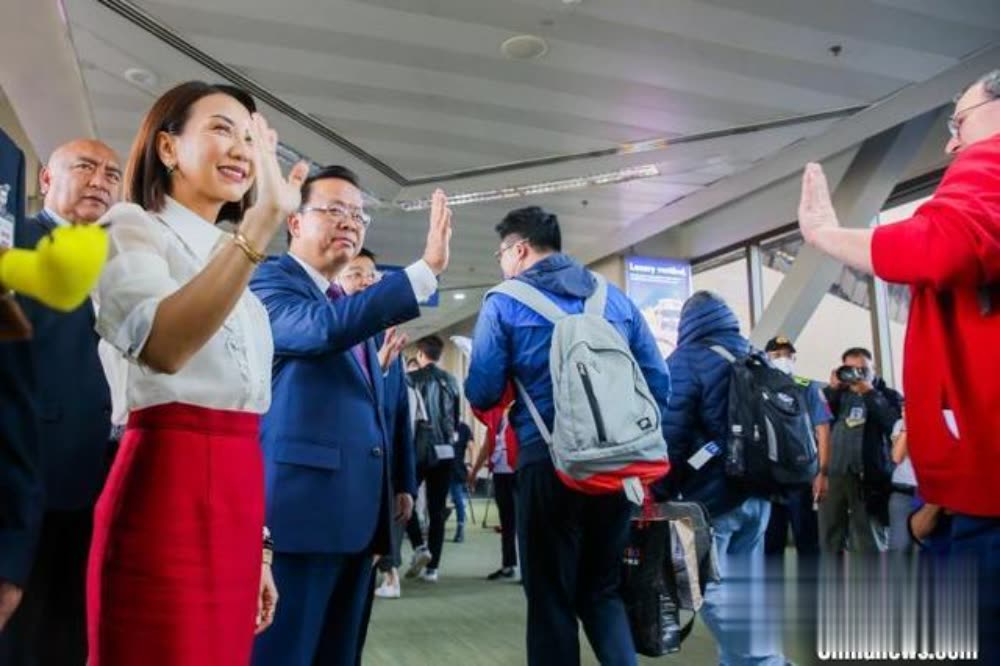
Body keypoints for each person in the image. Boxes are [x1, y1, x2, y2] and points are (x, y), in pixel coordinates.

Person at [86, 80, 307, 665]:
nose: (240, 150)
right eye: (221, 129)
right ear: (167, 148)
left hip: (238, 501)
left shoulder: (236, 264)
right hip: (166, 491)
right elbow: (164, 347)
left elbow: (245, 415)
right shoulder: (129, 227)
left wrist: (260, 546)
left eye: (250, 138)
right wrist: (260, 225)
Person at [798, 69, 1000, 658]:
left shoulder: (991, 163)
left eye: (958, 122)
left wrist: (826, 234)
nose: (952, 144)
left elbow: (943, 244)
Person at [249, 167, 450, 666]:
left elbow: (380, 409)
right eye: (334, 210)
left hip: (356, 520)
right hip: (296, 519)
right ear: (295, 222)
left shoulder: (349, 306)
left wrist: (397, 483)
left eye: (358, 215)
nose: (350, 222)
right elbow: (319, 331)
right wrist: (423, 271)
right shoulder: (270, 283)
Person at [465, 206, 671, 666]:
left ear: (519, 249)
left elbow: (483, 389)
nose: (502, 263)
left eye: (502, 254)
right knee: (603, 591)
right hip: (619, 468)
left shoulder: (503, 301)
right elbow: (658, 383)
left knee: (550, 599)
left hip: (548, 463)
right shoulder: (613, 299)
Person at [1, 139, 122, 665]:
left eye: (112, 174)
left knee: (68, 637)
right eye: (85, 167)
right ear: (46, 179)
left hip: (92, 483)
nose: (100, 181)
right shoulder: (19, 246)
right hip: (30, 486)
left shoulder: (113, 263)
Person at [657, 290, 787, 666]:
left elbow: (672, 435)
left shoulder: (685, 360)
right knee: (745, 592)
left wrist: (659, 490)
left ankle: (767, 660)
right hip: (758, 493)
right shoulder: (755, 355)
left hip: (710, 499)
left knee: (705, 587)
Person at [338, 248, 415, 601]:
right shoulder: (330, 333)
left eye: (371, 275)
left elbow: (399, 418)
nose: (365, 281)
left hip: (379, 482)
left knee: (358, 598)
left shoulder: (387, 339)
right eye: (355, 273)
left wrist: (405, 483)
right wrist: (376, 374)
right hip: (339, 480)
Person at [819, 348, 901, 553]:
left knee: (869, 541)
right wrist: (832, 390)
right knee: (830, 538)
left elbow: (894, 425)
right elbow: (817, 420)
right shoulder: (837, 394)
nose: (856, 375)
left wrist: (869, 392)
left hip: (869, 477)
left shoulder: (888, 395)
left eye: (863, 370)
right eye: (851, 369)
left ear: (874, 369)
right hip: (835, 474)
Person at [763, 335, 832, 560]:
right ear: (767, 358)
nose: (783, 359)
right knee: (770, 544)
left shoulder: (807, 387)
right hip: (769, 477)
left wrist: (822, 473)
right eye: (777, 355)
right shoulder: (758, 387)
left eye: (787, 355)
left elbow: (823, 430)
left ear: (794, 358)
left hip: (801, 476)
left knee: (807, 541)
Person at [404, 335, 461, 582]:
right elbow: (456, 419)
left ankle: (419, 546)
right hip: (446, 451)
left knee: (404, 499)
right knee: (437, 510)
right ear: (439, 355)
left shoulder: (410, 379)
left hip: (417, 450)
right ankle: (432, 569)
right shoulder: (452, 381)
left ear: (419, 354)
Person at [469, 384, 520, 581]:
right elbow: (488, 444)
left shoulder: (523, 408)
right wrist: (474, 471)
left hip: (520, 470)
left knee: (524, 520)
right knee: (507, 521)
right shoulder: (495, 413)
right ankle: (508, 565)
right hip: (500, 471)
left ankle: (527, 569)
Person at [449, 420, 474, 543]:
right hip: (440, 467)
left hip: (456, 469)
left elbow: (471, 448)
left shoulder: (464, 428)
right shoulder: (442, 423)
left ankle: (460, 527)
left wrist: (471, 465)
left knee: (457, 498)